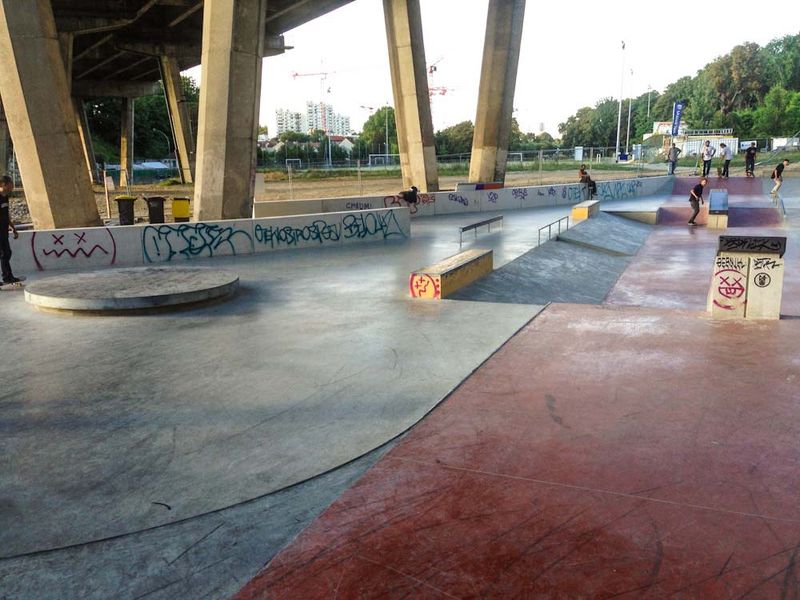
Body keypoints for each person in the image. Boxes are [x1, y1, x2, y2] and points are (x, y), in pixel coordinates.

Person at [0, 175, 22, 287]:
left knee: (7, 253)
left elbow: (6, 215)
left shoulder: (5, 197)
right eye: (11, 184)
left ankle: (7, 277)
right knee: (4, 253)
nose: (12, 186)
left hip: (3, 231)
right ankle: (7, 276)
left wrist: (13, 228)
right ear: (4, 184)